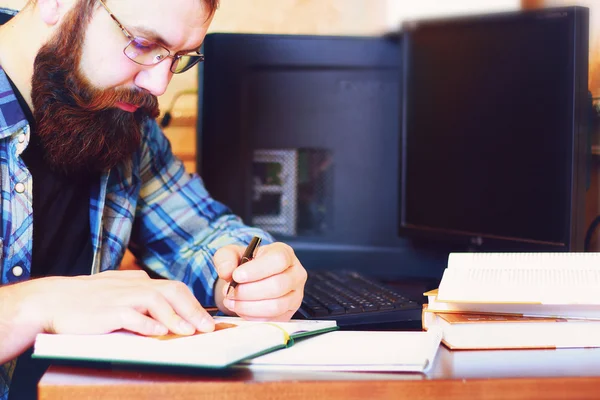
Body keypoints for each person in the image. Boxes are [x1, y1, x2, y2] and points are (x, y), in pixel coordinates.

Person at [0, 0, 308, 398]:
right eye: (143, 44)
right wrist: (36, 305)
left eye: (177, 57)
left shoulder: (122, 119)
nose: (159, 85)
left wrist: (254, 280)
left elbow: (201, 236)